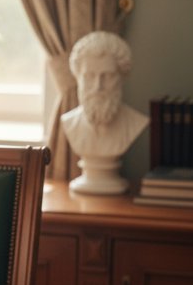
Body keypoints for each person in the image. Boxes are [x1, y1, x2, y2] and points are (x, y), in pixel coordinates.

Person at [61, 30, 148, 194]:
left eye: (107, 76)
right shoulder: (69, 123)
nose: (97, 87)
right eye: (89, 76)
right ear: (78, 77)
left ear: (122, 77)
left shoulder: (136, 123)